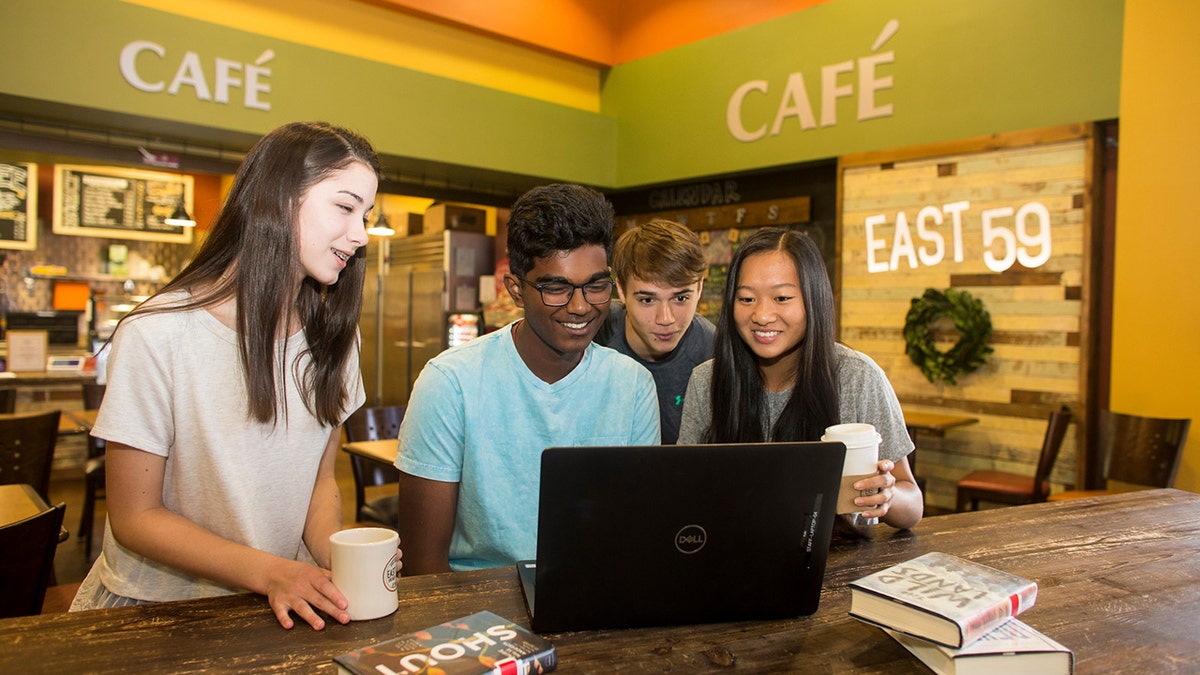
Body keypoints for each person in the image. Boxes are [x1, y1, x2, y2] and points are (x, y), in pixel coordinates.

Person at [71, 121, 387, 630]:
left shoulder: (335, 338)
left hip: (281, 601)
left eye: (365, 215)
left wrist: (336, 563)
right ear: (280, 198)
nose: (361, 234)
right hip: (162, 612)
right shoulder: (159, 332)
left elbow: (318, 482)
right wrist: (271, 573)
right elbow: (135, 518)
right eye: (346, 207)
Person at [395, 183, 660, 575]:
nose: (581, 305)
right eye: (556, 287)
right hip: (477, 610)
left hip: (593, 600)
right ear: (516, 289)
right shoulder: (450, 382)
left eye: (597, 284)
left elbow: (637, 536)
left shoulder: (632, 386)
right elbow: (424, 567)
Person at [678, 227, 922, 529]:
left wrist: (888, 495)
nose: (762, 315)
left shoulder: (857, 377)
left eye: (781, 297)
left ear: (813, 299)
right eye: (746, 299)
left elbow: (912, 507)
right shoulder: (707, 381)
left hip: (838, 559)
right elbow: (684, 492)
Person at [593, 219, 714, 444]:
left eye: (681, 298)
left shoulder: (715, 353)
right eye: (647, 300)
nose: (665, 319)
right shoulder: (592, 334)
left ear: (699, 288)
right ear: (621, 289)